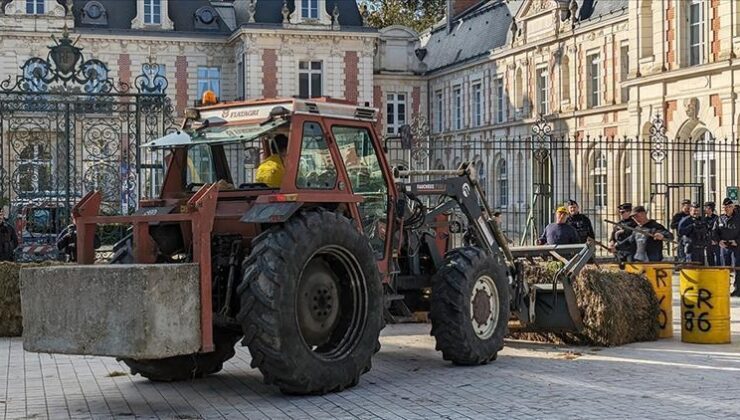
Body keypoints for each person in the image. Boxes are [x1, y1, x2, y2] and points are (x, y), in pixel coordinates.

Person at [711, 198, 740, 296]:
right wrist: (719, 241)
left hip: (736, 247)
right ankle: (725, 288)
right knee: (724, 269)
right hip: (724, 248)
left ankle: (738, 289)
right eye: (724, 207)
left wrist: (737, 241)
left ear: (732, 207)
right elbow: (714, 232)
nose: (726, 209)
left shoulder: (738, 218)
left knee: (737, 269)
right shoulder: (720, 218)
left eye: (728, 207)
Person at [703, 201, 720, 266]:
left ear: (710, 209)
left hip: (715, 242)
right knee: (710, 259)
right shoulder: (704, 219)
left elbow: (719, 231)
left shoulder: (717, 218)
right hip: (708, 242)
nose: (704, 209)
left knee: (717, 260)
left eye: (706, 208)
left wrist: (716, 240)